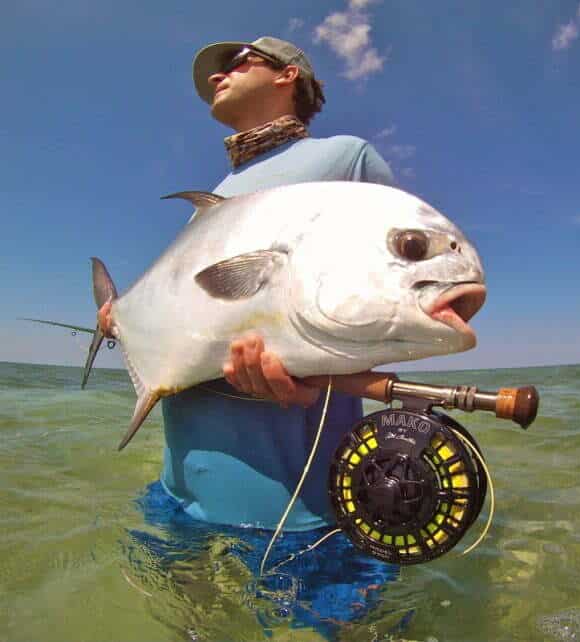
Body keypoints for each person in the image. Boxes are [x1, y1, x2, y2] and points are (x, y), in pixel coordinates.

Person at [99, 36, 400, 636]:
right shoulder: (214, 195)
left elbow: (397, 292)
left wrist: (312, 379)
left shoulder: (346, 158)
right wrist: (119, 318)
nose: (218, 76)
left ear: (289, 75)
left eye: (238, 62)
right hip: (178, 493)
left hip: (294, 510)